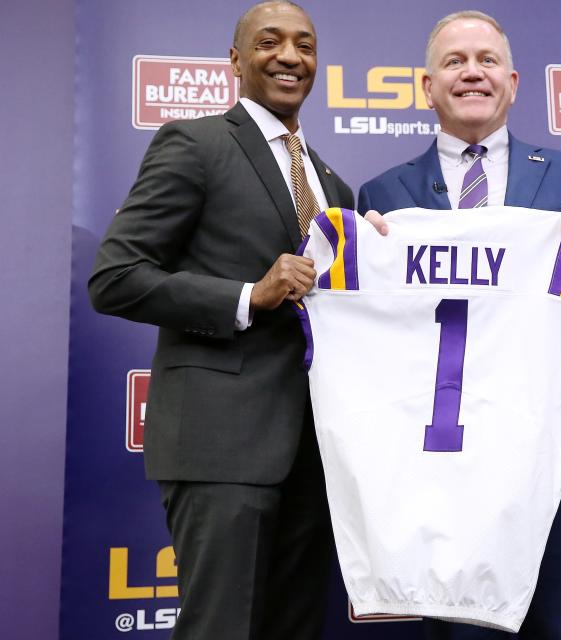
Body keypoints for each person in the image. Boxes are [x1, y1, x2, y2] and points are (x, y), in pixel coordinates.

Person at [88, 2, 363, 638]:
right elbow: (115, 276)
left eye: (305, 45)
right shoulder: (196, 143)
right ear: (236, 61)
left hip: (317, 456)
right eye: (269, 42)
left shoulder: (333, 187)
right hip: (222, 446)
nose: (291, 56)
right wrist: (247, 295)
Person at [358, 11, 561, 640]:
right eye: (455, 61)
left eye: (488, 60)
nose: (473, 73)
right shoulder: (381, 195)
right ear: (427, 86)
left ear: (514, 81)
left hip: (550, 452)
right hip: (439, 460)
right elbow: (372, 342)